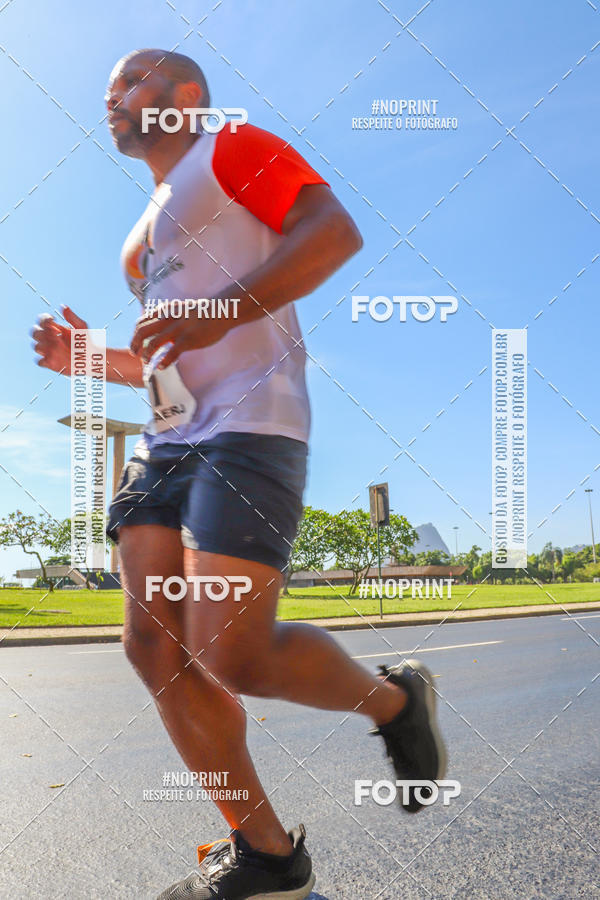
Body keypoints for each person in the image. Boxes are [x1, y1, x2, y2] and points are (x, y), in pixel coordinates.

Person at [32, 48, 447, 900]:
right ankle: (265, 856)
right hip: (168, 440)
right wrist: (89, 359)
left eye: (132, 82)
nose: (112, 96)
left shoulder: (233, 148)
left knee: (233, 653)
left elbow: (334, 233)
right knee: (154, 647)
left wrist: (220, 308)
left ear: (188, 97)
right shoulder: (138, 241)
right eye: (107, 88)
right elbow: (164, 353)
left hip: (253, 429)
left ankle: (396, 702)